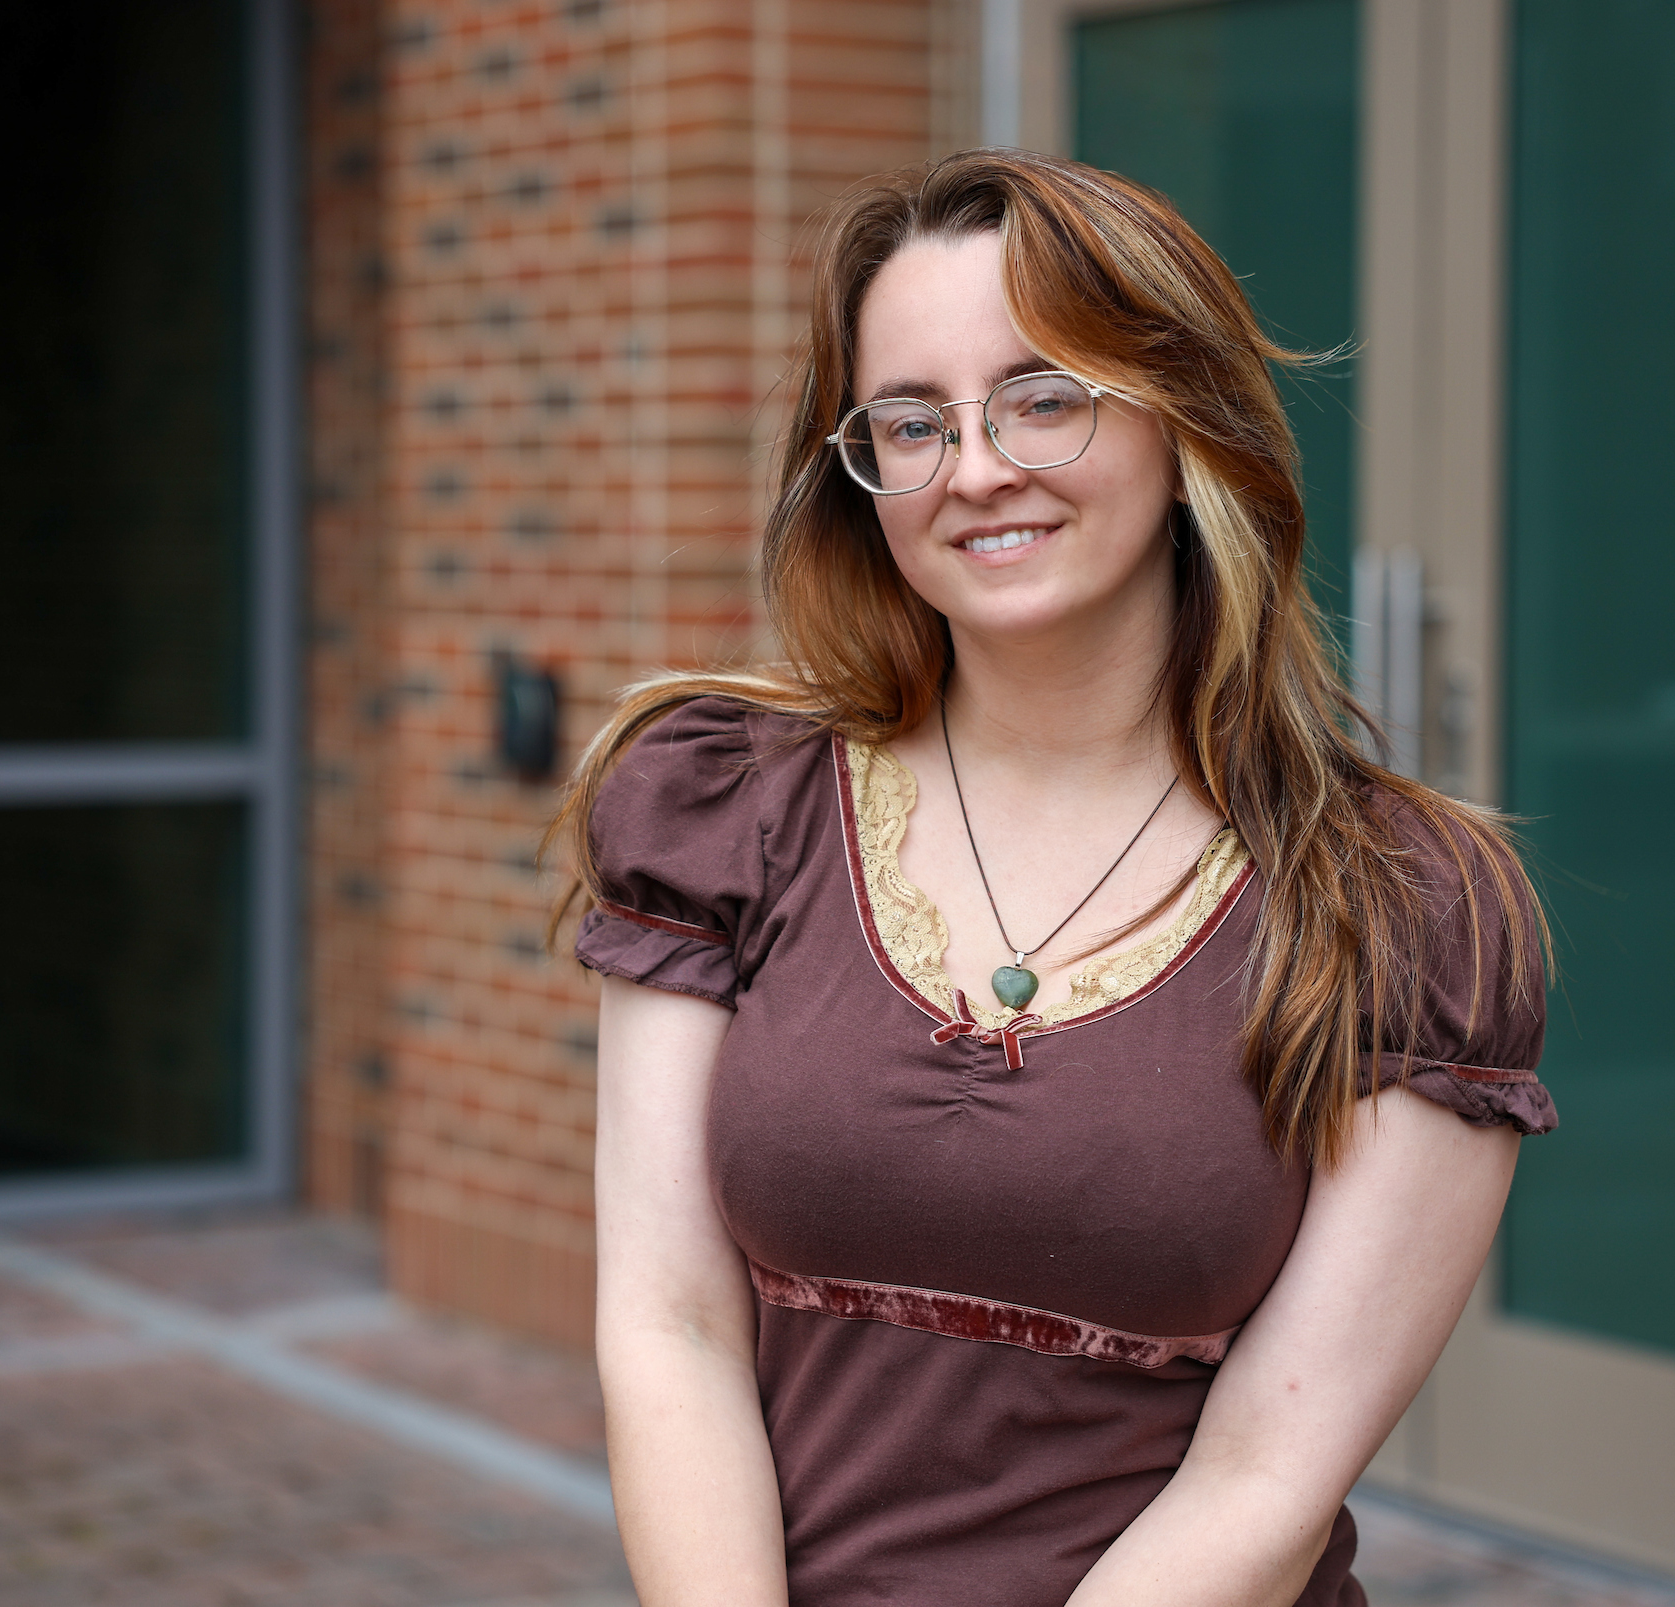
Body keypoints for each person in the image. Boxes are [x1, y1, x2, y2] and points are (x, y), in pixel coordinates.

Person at [549, 147, 1557, 1607]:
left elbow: (1268, 1478)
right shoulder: (724, 809)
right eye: (912, 423)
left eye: (1043, 398)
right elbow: (669, 1327)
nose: (975, 471)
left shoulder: (1407, 905)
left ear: (1181, 417)